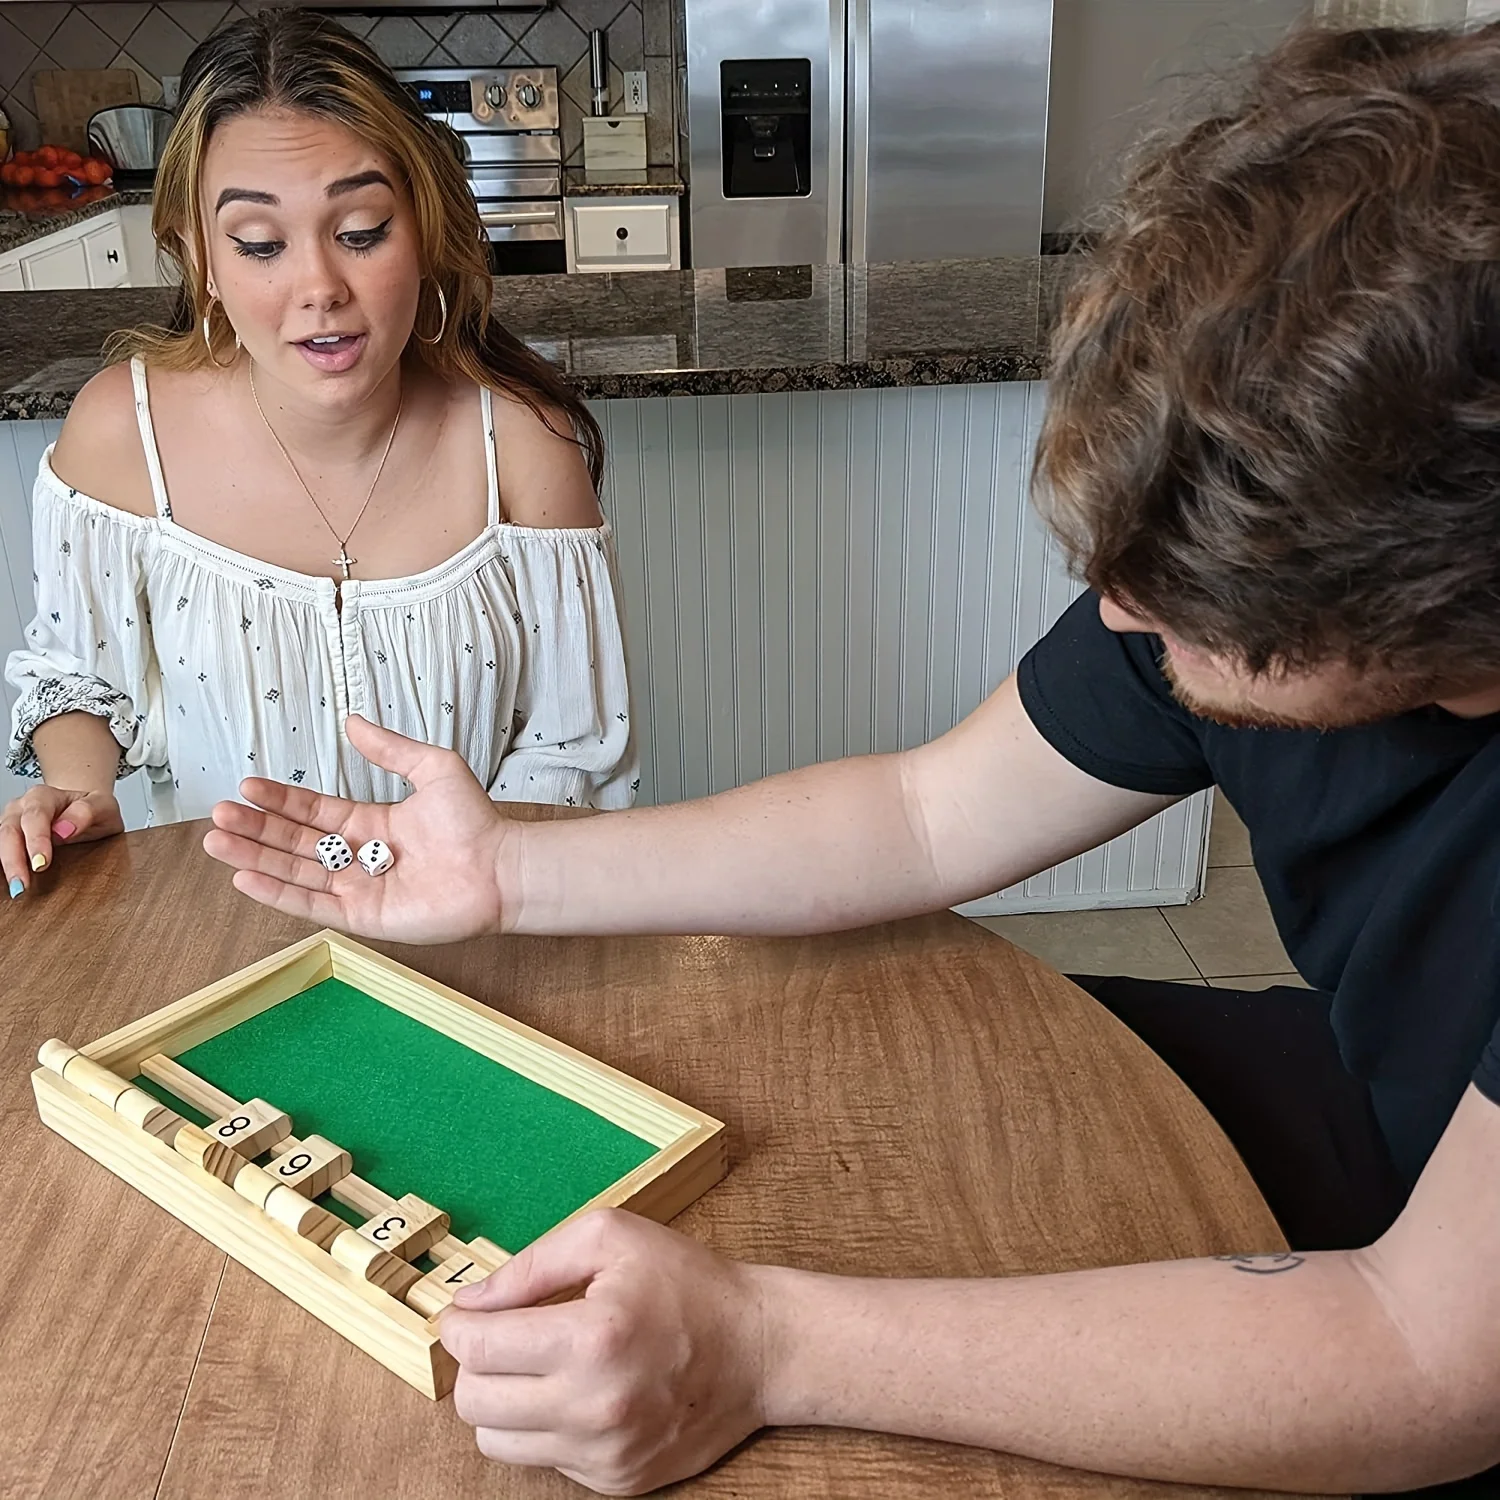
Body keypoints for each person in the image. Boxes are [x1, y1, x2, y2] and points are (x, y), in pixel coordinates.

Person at [204, 19, 1500, 1499]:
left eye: (1207, 603)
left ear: (1440, 598)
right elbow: (922, 814)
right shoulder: (1207, 577)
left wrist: (766, 1344)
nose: (1127, 613)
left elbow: (1425, 1360)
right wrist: (505, 865)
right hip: (1373, 1091)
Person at [0, 10, 637, 900]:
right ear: (203, 261)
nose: (319, 290)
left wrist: (465, 887)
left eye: (363, 229)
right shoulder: (120, 432)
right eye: (260, 244)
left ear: (423, 232)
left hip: (479, 939)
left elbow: (573, 752)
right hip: (216, 935)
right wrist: (72, 789)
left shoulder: (524, 445)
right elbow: (78, 671)